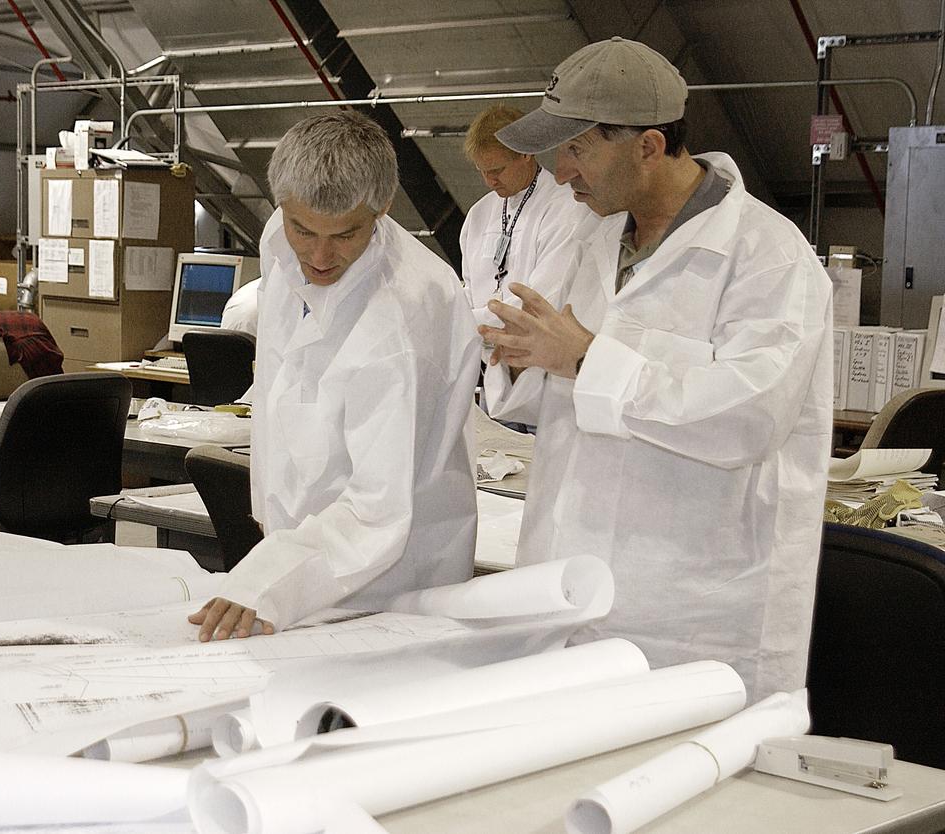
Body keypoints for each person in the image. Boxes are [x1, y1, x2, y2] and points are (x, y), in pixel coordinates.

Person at [478, 37, 833, 700]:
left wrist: (584, 358)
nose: (561, 172)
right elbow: (555, 401)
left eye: (578, 148)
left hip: (692, 620)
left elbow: (748, 418)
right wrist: (520, 356)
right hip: (570, 588)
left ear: (646, 145)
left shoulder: (767, 257)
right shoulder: (593, 238)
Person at [189, 111, 480, 641]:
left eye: (345, 235)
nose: (319, 256)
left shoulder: (399, 323)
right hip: (302, 555)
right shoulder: (283, 240)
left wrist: (271, 579)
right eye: (303, 229)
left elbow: (376, 511)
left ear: (382, 211)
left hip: (387, 582)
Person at [459, 105, 595, 418]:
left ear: (525, 154)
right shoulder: (479, 215)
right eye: (482, 171)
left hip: (546, 382)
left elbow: (538, 304)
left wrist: (462, 323)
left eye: (497, 170)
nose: (489, 180)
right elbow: (468, 289)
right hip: (492, 371)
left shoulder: (565, 208)